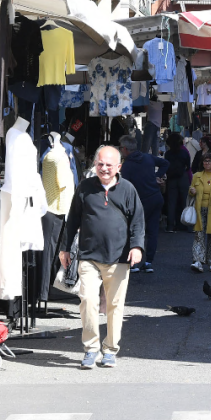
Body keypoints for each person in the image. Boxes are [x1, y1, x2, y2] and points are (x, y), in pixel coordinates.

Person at [59, 146, 145, 369]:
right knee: (87, 300)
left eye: (109, 164)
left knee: (115, 305)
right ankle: (91, 348)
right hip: (89, 256)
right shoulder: (85, 187)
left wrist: (137, 247)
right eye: (100, 164)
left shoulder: (128, 189)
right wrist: (65, 249)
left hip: (118, 258)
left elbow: (137, 222)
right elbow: (73, 219)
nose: (104, 168)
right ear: (95, 165)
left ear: (118, 167)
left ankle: (110, 349)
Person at [119, 135, 168, 273]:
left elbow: (125, 186)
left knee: (136, 231)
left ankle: (134, 263)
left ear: (125, 149)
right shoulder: (147, 157)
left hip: (140, 201)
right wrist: (157, 176)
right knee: (152, 232)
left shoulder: (127, 165)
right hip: (156, 197)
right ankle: (148, 262)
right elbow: (165, 163)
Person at [189, 152, 211, 273]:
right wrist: (192, 191)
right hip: (199, 208)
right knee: (199, 234)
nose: (206, 163)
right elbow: (191, 191)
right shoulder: (196, 175)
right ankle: (198, 260)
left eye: (209, 161)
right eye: (204, 161)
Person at [163, 133, 193, 233]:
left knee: (171, 203)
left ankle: (170, 226)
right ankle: (188, 225)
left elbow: (165, 166)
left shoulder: (168, 153)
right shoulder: (184, 152)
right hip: (183, 177)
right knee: (185, 201)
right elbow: (188, 166)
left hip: (171, 178)